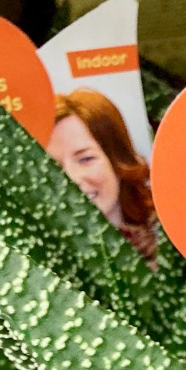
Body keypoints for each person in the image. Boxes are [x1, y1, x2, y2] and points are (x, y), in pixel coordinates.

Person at [47, 89, 157, 263]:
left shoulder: (169, 250)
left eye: (86, 159)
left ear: (118, 161)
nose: (72, 179)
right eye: (53, 166)